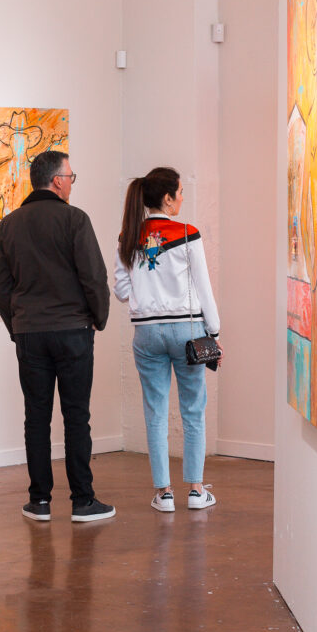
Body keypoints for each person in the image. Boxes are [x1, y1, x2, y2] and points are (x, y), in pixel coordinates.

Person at [0, 150, 115, 523]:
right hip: (73, 331)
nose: (72, 183)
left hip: (30, 333)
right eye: (71, 176)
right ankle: (82, 501)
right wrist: (99, 318)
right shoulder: (75, 220)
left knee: (37, 417)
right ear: (58, 180)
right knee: (76, 415)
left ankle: (40, 501)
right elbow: (94, 277)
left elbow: (3, 288)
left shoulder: (9, 224)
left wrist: (16, 327)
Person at [113, 167, 222, 513]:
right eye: (180, 191)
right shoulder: (188, 233)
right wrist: (214, 332)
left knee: (155, 411)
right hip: (187, 331)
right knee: (193, 409)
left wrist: (144, 299)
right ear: (167, 198)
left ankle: (164, 494)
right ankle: (195, 490)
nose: (183, 198)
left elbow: (120, 289)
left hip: (146, 333)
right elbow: (203, 287)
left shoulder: (128, 236)